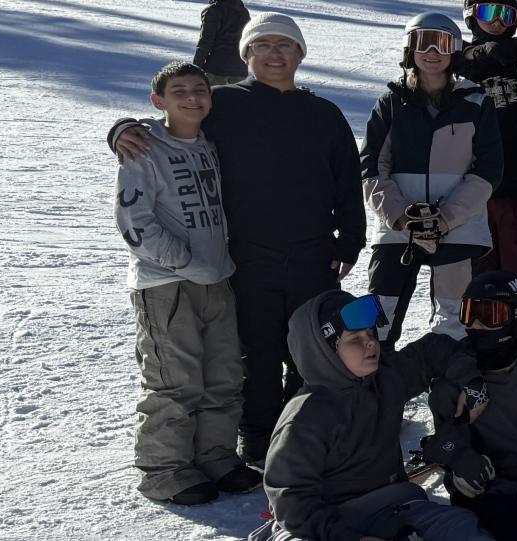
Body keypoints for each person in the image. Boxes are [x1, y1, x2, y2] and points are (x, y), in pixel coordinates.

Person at [109, 12, 366, 468]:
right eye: (262, 45)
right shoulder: (224, 103)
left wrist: (350, 241)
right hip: (245, 254)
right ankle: (259, 437)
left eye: (284, 45)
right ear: (246, 54)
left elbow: (348, 179)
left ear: (299, 55)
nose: (273, 54)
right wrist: (121, 129)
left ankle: (307, 432)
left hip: (313, 253)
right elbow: (171, 125)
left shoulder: (323, 113)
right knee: (256, 350)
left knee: (311, 347)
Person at [118, 61, 259, 506]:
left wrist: (211, 265)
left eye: (200, 89)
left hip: (216, 278)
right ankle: (164, 470)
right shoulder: (143, 147)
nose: (192, 98)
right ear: (158, 101)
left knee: (223, 375)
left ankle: (215, 455)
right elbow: (134, 222)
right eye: (179, 91)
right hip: (167, 284)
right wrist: (183, 261)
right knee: (174, 380)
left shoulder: (208, 145)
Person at [246, 292, 489, 541]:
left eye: (371, 334)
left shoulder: (386, 377)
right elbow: (291, 499)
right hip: (325, 523)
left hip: (391, 505)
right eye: (355, 339)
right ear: (326, 351)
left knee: (461, 526)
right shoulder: (305, 417)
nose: (370, 343)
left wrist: (471, 381)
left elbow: (434, 349)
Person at [360, 13, 501, 346]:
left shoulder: (476, 103)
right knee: (378, 317)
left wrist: (445, 218)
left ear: (455, 50)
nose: (433, 52)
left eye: (443, 43)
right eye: (423, 42)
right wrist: (400, 216)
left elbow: (488, 170)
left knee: (455, 320)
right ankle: (375, 377)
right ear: (410, 49)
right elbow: (372, 167)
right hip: (398, 228)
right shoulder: (391, 103)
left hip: (458, 227)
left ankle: (450, 377)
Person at [422, 271, 517, 541]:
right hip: (484, 490)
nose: (476, 325)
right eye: (469, 313)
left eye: (488, 315)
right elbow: (457, 453)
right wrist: (515, 492)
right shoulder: (453, 383)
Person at [454, 1, 517, 349]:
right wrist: (473, 55)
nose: (497, 22)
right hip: (468, 192)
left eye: (506, 15)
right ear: (471, 15)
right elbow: (429, 65)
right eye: (488, 13)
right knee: (476, 280)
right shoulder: (458, 59)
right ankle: (481, 354)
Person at [191, 0, 248, 87]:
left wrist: (196, 68)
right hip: (239, 70)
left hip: (216, 69)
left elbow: (205, 42)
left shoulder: (213, 10)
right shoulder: (243, 11)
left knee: (214, 95)